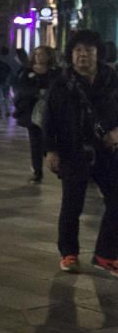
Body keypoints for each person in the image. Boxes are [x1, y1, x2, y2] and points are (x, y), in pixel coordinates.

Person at [44, 30, 118, 276]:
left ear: (98, 53)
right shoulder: (62, 83)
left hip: (107, 151)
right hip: (73, 151)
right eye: (78, 51)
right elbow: (49, 118)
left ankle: (105, 254)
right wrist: (51, 150)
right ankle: (69, 253)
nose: (83, 55)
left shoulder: (112, 79)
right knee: (72, 205)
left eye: (88, 50)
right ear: (71, 55)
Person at [13, 45, 60, 184]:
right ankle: (37, 171)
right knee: (35, 142)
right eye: (36, 54)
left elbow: (58, 88)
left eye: (42, 54)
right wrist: (36, 92)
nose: (39, 57)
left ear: (49, 57)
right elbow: (20, 88)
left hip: (50, 112)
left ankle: (53, 161)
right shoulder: (26, 71)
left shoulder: (55, 72)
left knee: (48, 139)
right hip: (31, 111)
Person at [0, 46, 18, 120]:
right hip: (7, 81)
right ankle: (7, 110)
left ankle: (1, 111)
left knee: (0, 96)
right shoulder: (10, 60)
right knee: (6, 96)